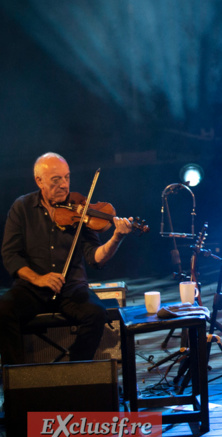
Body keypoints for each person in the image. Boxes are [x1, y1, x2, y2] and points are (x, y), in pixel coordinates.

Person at [1, 152, 134, 365]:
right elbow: (10, 255)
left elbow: (95, 258)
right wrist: (39, 279)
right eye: (56, 180)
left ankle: (73, 375)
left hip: (71, 288)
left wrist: (116, 238)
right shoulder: (22, 207)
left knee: (96, 314)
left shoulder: (81, 210)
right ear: (39, 181)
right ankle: (17, 382)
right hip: (31, 289)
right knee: (4, 309)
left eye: (67, 177)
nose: (64, 185)